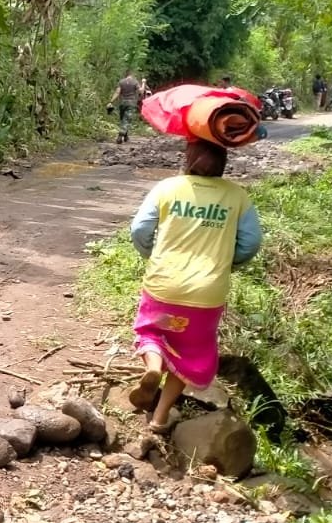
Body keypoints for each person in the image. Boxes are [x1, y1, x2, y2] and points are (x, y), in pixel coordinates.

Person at [126, 139, 262, 434]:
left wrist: (153, 255)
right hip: (206, 295)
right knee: (189, 350)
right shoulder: (237, 196)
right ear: (223, 161)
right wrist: (226, 263)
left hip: (165, 288)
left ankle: (152, 365)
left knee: (153, 331)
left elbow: (139, 229)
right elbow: (251, 242)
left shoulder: (168, 187)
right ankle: (160, 418)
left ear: (189, 157)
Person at [107, 71, 142, 144]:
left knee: (123, 119)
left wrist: (111, 101)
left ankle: (126, 137)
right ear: (132, 75)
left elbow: (117, 92)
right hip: (131, 103)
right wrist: (144, 83)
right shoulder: (135, 82)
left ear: (126, 75)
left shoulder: (121, 82)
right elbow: (141, 91)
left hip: (122, 103)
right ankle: (120, 135)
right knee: (127, 120)